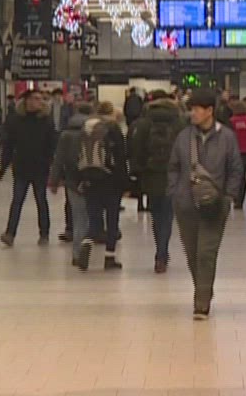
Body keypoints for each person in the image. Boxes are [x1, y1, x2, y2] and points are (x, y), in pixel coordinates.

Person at [168, 89, 244, 319]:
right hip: (186, 204)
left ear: (210, 111)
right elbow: (173, 166)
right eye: (191, 109)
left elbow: (235, 168)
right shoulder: (184, 137)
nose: (192, 113)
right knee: (192, 253)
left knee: (206, 253)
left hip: (215, 205)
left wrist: (228, 196)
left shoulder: (227, 137)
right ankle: (203, 289)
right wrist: (175, 192)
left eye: (196, 109)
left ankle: (201, 301)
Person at [128, 89, 186, 273]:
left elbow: (135, 148)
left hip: (151, 173)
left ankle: (160, 251)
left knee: (156, 215)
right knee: (167, 215)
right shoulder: (180, 122)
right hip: (173, 175)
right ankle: (162, 253)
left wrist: (137, 171)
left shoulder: (143, 123)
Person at [0, 90, 58, 247]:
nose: (38, 102)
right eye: (34, 99)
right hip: (21, 167)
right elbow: (9, 145)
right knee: (17, 201)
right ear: (26, 101)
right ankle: (10, 234)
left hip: (40, 167)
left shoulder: (46, 121)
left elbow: (52, 145)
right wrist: (3, 166)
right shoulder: (16, 120)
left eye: (40, 99)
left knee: (41, 201)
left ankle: (44, 234)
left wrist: (52, 165)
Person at [76, 102, 128, 272]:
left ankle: (87, 242)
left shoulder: (86, 127)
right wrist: (125, 182)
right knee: (112, 220)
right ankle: (109, 257)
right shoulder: (113, 128)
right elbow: (121, 156)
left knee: (94, 218)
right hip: (111, 179)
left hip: (90, 177)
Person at [49, 101, 94, 259]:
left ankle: (77, 253)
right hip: (93, 178)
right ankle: (87, 244)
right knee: (90, 215)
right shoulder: (97, 131)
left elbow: (59, 159)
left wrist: (54, 180)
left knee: (78, 215)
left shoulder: (66, 134)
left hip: (72, 179)